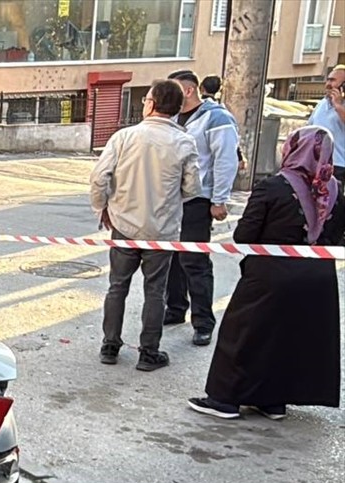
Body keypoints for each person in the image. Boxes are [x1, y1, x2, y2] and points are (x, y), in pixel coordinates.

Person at [188, 125, 343, 420]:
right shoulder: (334, 191)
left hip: (270, 276)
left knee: (243, 334)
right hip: (317, 280)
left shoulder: (273, 187)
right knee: (287, 338)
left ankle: (225, 399)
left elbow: (245, 234)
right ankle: (272, 400)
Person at [89, 80, 200, 372]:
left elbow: (100, 177)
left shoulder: (125, 137)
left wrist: (102, 207)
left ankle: (110, 345)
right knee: (155, 291)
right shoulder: (184, 142)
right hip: (161, 231)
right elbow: (192, 187)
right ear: (176, 108)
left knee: (117, 286)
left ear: (151, 104)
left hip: (124, 224)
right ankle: (149, 352)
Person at [165, 70, 240, 347]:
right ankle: (174, 309)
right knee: (170, 257)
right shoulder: (171, 116)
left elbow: (225, 159)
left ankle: (203, 322)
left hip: (199, 199)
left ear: (187, 90)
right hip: (171, 200)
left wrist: (219, 199)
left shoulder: (216, 117)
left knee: (194, 261)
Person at [199, 75, 247, 173]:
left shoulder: (193, 109)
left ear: (201, 88)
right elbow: (232, 138)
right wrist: (240, 157)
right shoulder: (222, 112)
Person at [307, 65, 345, 183]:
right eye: (328, 79)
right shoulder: (322, 104)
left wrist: (338, 105)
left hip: (337, 164)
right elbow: (309, 129)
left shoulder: (341, 105)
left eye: (333, 80)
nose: (328, 84)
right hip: (315, 162)